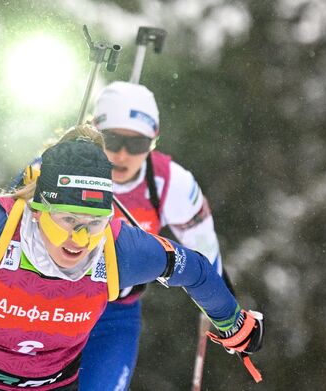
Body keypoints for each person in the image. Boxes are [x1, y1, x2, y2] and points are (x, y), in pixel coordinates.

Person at [0, 125, 263, 391]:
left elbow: (193, 269)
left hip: (48, 386)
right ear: (38, 210)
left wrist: (231, 323)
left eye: (94, 222)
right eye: (67, 220)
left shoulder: (119, 250)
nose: (80, 238)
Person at [78, 81, 228, 390]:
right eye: (112, 140)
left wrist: (222, 308)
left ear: (154, 141)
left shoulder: (171, 183)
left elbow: (204, 247)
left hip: (115, 313)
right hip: (50, 303)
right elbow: (3, 221)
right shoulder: (59, 166)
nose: (122, 154)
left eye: (136, 145)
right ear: (94, 132)